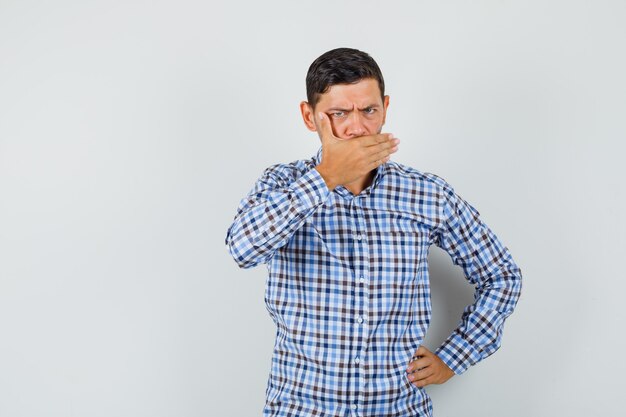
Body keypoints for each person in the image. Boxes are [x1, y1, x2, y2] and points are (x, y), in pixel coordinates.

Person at [225, 47, 522, 417]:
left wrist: (454, 357)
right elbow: (242, 248)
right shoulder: (283, 183)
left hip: (397, 407)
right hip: (301, 407)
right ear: (309, 116)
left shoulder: (426, 193)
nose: (357, 127)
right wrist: (327, 176)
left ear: (385, 107)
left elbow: (502, 275)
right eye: (338, 113)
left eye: (368, 110)